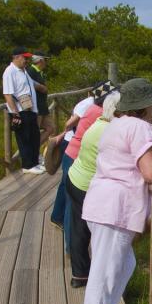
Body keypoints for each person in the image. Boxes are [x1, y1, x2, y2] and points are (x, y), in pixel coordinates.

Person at [81, 78, 152, 304]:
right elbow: (151, 172)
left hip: (102, 202)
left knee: (121, 265)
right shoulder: (139, 127)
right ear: (147, 106)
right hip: (116, 207)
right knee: (107, 269)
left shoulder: (116, 124)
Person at [49, 81, 115, 250]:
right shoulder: (99, 112)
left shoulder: (92, 107)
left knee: (66, 191)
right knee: (73, 205)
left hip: (72, 152)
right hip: (77, 155)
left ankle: (57, 219)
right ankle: (71, 247)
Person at [66, 91, 120, 288]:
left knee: (79, 229)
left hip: (75, 178)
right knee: (99, 233)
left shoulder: (99, 122)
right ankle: (101, 278)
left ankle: (79, 275)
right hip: (88, 186)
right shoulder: (111, 132)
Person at [2, 47, 44, 174]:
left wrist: (42, 87)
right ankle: (27, 166)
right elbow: (7, 94)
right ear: (16, 57)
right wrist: (15, 114)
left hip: (30, 109)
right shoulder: (9, 72)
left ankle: (34, 163)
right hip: (20, 111)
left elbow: (31, 85)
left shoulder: (23, 71)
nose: (27, 60)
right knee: (24, 139)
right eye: (24, 58)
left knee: (34, 137)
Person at [26, 51, 56, 147]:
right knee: (34, 133)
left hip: (42, 107)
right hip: (36, 107)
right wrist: (41, 88)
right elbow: (26, 86)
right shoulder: (31, 71)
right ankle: (33, 152)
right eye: (45, 60)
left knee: (50, 128)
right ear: (40, 60)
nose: (46, 62)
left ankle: (34, 149)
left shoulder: (39, 72)